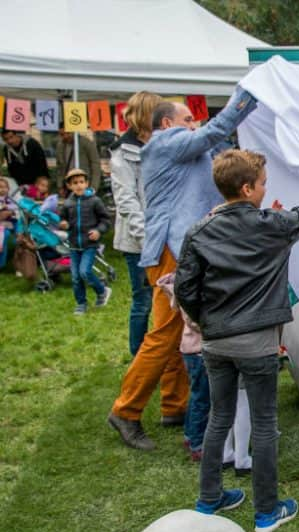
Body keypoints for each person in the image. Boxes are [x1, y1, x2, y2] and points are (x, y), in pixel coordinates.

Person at [175, 143, 299, 532]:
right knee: (265, 424)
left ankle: (209, 501)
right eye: (262, 184)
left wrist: (207, 321)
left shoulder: (198, 231)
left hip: (216, 343)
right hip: (256, 344)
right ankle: (267, 513)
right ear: (246, 189)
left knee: (218, 418)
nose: (263, 188)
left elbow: (185, 289)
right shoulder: (273, 225)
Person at [107, 91, 257, 451]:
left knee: (177, 332)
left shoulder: (181, 147)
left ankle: (175, 406)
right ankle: (126, 410)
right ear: (166, 124)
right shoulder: (166, 143)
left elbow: (217, 142)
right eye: (188, 119)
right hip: (172, 251)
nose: (195, 124)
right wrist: (248, 96)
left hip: (180, 249)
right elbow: (213, 132)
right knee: (163, 333)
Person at [110, 91, 162, 356]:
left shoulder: (161, 144)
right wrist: (146, 240)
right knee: (143, 301)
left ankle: (165, 354)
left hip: (164, 234)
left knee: (167, 300)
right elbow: (126, 202)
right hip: (138, 241)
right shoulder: (122, 153)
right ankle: (139, 356)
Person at [156, 273, 210, 461]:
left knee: (197, 396)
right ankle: (197, 443)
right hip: (198, 350)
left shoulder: (187, 283)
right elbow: (194, 321)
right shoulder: (191, 288)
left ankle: (190, 435)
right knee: (203, 398)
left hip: (193, 349)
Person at [57, 169, 111, 315]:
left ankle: (102, 291)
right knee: (75, 276)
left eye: (82, 182)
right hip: (74, 245)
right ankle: (81, 303)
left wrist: (98, 231)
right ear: (69, 186)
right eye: (75, 183)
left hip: (90, 244)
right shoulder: (68, 203)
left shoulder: (95, 201)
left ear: (87, 183)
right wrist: (63, 224)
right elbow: (62, 219)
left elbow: (106, 220)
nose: (79, 185)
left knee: (85, 271)